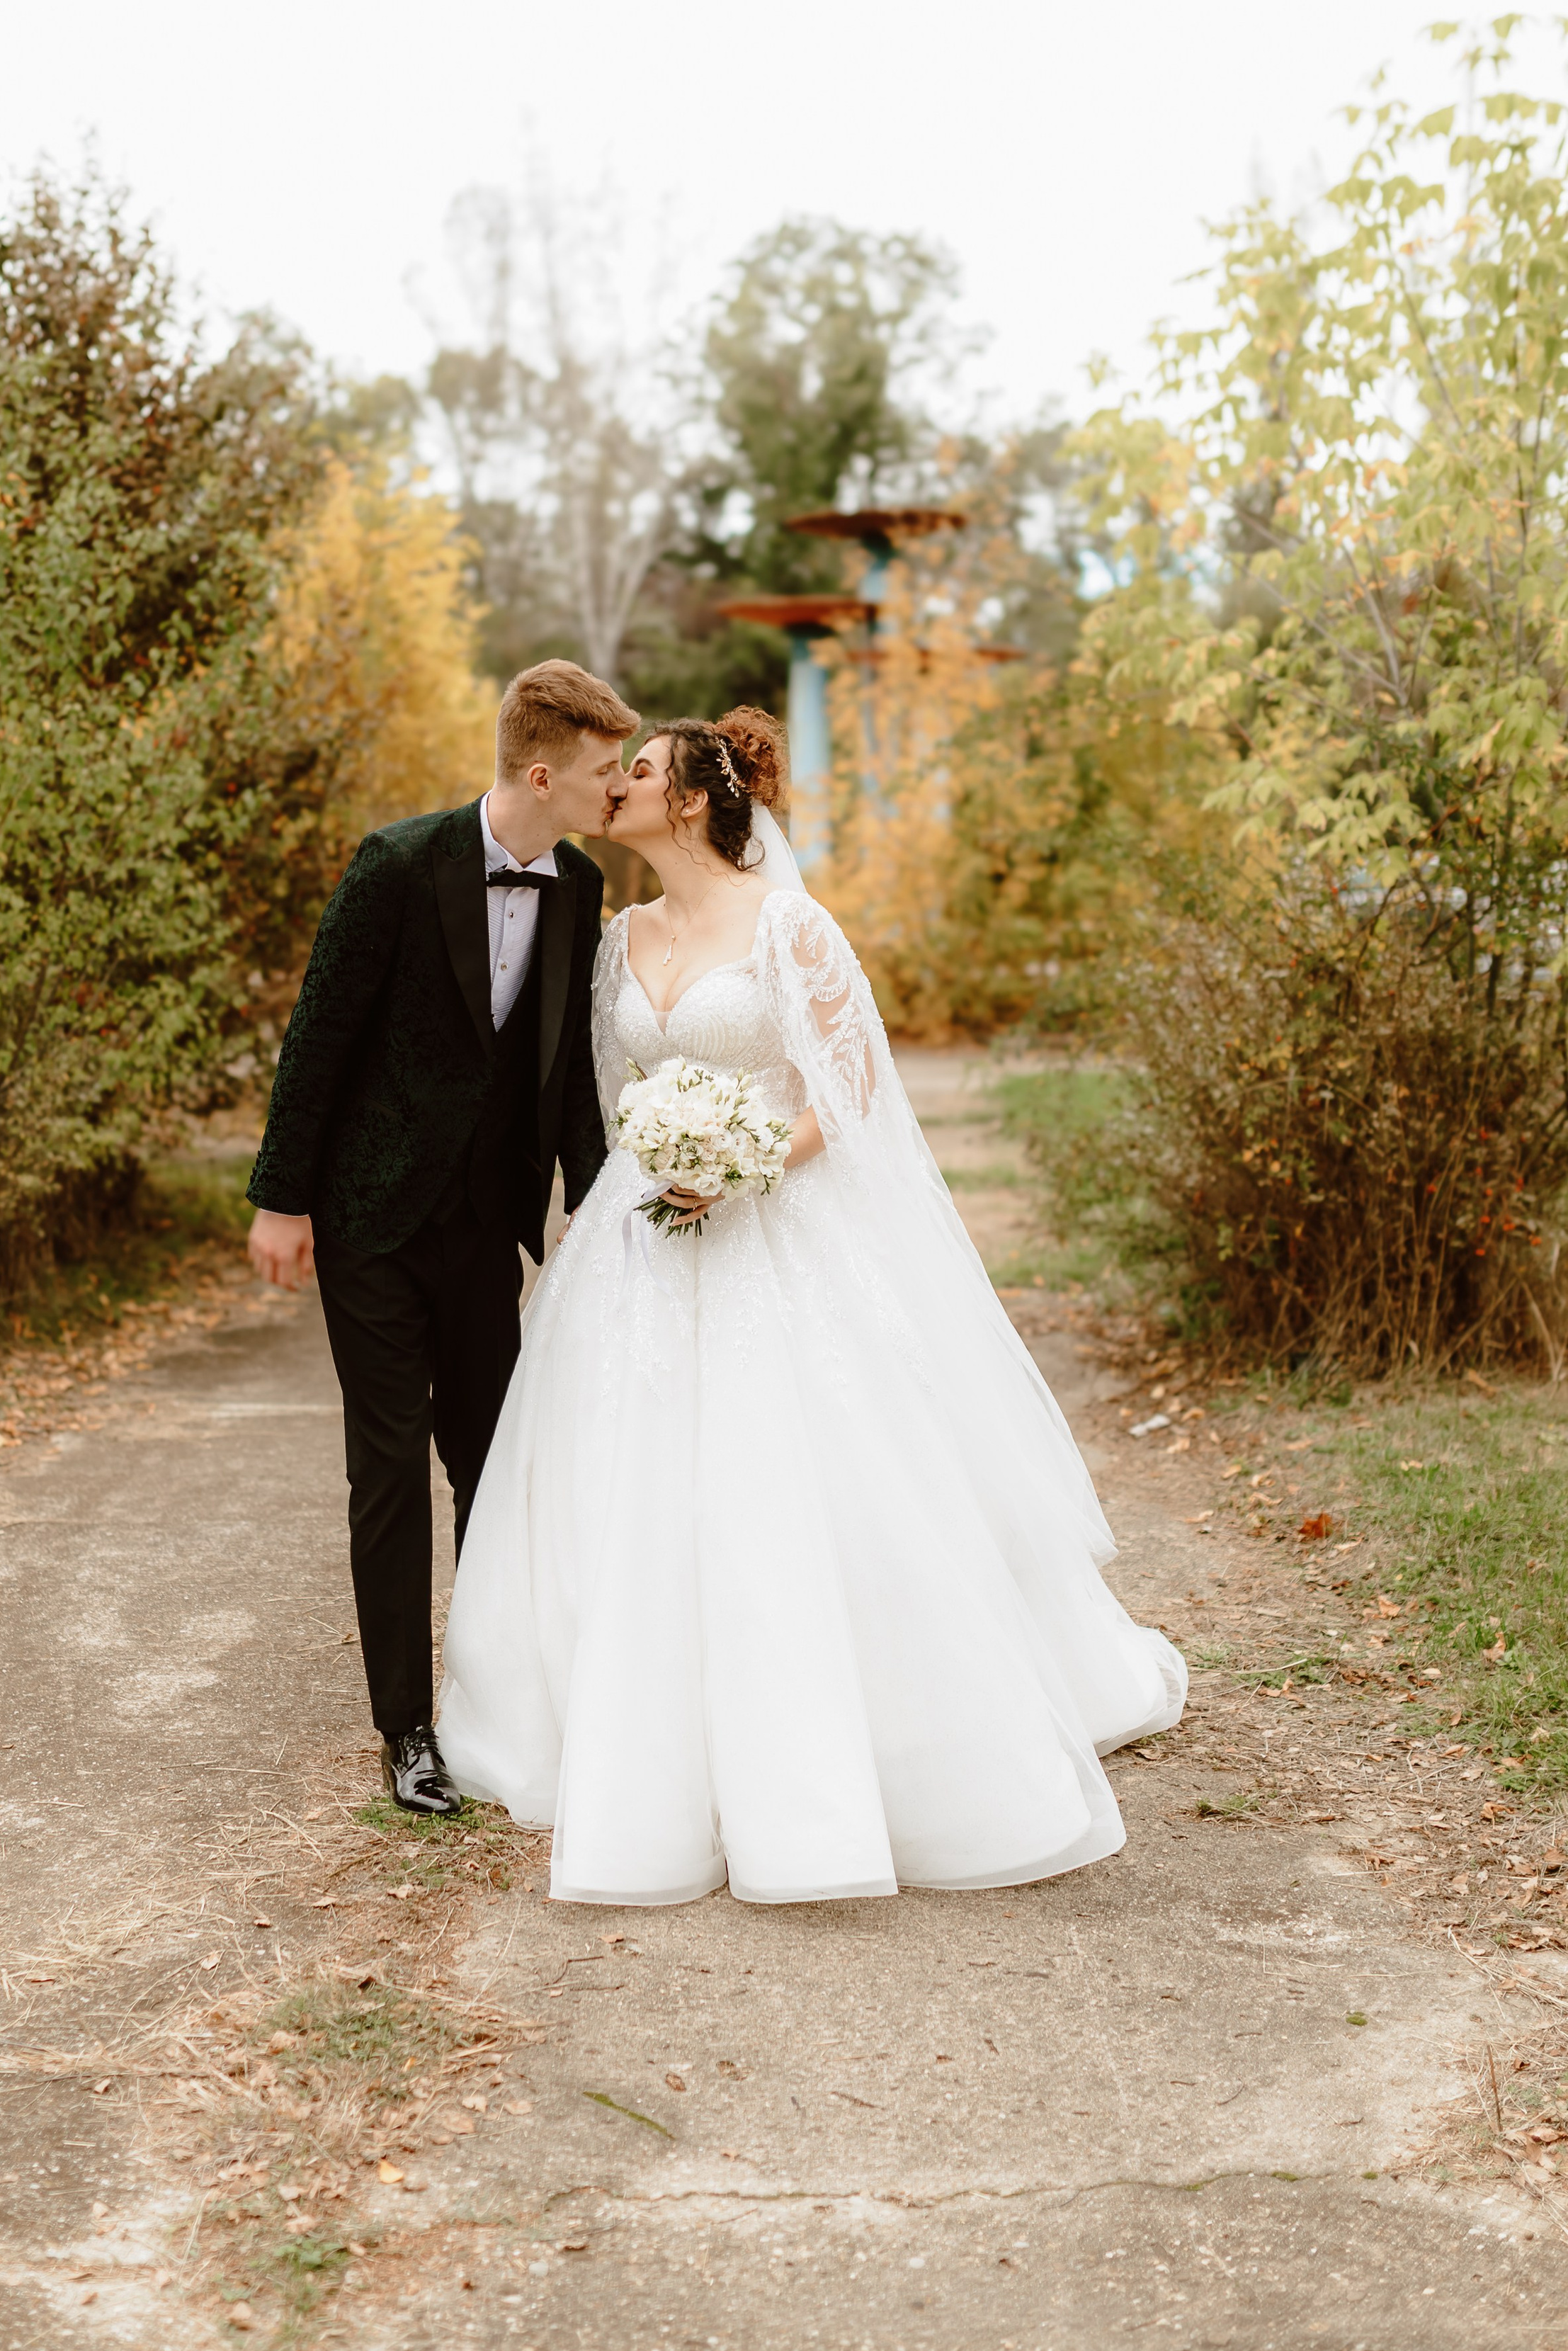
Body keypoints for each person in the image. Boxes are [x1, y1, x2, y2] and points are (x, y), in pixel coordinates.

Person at [437, 707, 1186, 1904]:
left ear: (691, 798)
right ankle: (621, 1727)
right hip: (640, 1239)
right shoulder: (619, 932)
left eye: (639, 771)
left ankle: (855, 1736)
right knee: (619, 1472)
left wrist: (742, 1161)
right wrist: (652, 1166)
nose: (614, 787)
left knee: (790, 1472)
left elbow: (850, 1088)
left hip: (771, 1223)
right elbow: (615, 1093)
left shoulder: (790, 925)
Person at [245, 659, 639, 1815]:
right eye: (606, 770)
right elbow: (319, 1034)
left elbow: (566, 1068)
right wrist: (282, 1199)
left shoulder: (579, 885)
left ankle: (491, 1699)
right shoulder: (396, 865)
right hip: (370, 1219)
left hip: (483, 1226)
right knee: (389, 1466)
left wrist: (592, 1199)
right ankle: (405, 1729)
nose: (619, 788)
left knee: (489, 1463)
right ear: (542, 774)